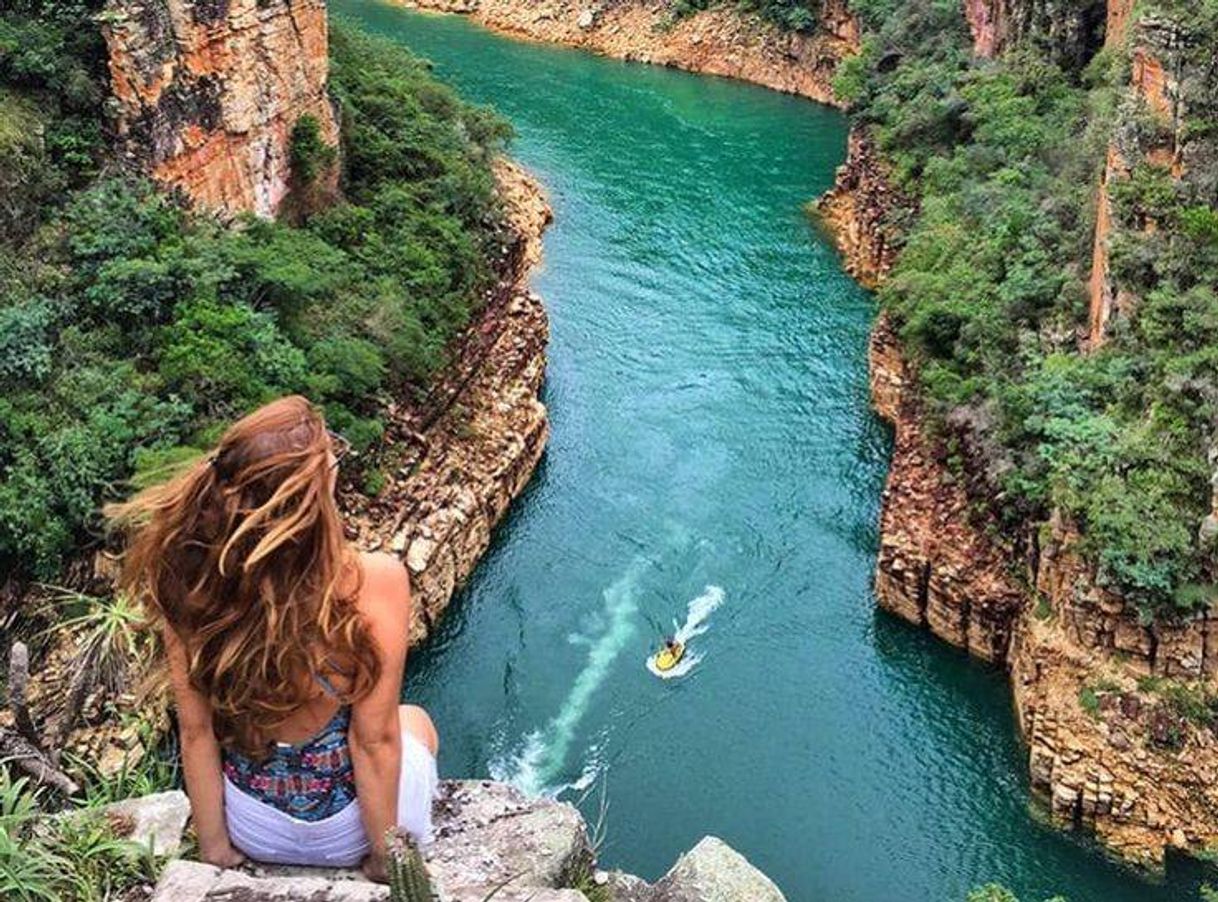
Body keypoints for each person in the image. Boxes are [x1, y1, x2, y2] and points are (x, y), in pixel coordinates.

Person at [108, 396, 438, 881]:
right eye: (331, 456)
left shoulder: (190, 583)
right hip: (348, 833)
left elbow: (196, 732)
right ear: (310, 490)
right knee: (415, 721)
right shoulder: (374, 582)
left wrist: (216, 848)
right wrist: (384, 860)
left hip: (252, 828)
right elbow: (374, 741)